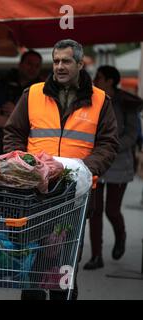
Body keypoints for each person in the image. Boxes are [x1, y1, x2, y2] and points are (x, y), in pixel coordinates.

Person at [3, 39, 119, 300]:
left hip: (74, 195)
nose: (59, 66)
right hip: (34, 193)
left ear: (80, 63)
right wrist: (23, 165)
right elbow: (13, 133)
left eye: (66, 61)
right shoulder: (32, 94)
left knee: (64, 271)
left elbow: (109, 143)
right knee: (31, 267)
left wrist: (84, 169)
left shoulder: (100, 100)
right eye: (56, 61)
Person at [83, 66, 143, 270]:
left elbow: (133, 134)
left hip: (119, 164)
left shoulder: (127, 102)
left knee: (112, 209)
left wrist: (111, 147)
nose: (94, 80)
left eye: (98, 77)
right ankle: (96, 256)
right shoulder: (91, 98)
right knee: (95, 210)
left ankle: (120, 235)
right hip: (97, 163)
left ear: (109, 80)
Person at [0, 50, 43, 161]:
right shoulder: (2, 84)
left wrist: (18, 113)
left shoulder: (42, 90)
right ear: (20, 64)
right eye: (29, 64)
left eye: (37, 66)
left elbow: (44, 119)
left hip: (26, 149)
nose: (32, 68)